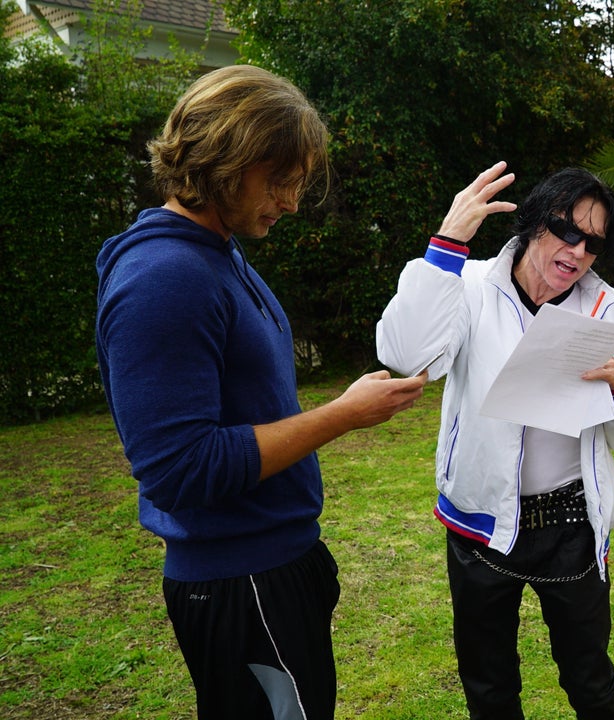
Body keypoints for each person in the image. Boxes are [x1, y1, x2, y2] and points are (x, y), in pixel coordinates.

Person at [95, 64, 426, 720]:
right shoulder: (166, 278)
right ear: (228, 157)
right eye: (280, 180)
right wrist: (342, 415)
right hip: (239, 583)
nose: (293, 202)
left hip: (273, 568)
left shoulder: (213, 252)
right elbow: (179, 469)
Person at [376, 162, 614, 719]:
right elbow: (405, 358)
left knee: (591, 681)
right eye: (567, 230)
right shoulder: (471, 285)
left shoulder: (610, 311)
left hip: (570, 522)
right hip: (479, 521)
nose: (577, 251)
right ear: (532, 222)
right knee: (489, 687)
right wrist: (447, 243)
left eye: (593, 242)